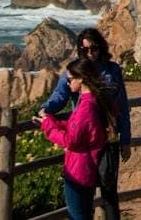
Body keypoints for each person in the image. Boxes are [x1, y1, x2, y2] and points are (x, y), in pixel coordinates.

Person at [42, 29, 132, 220]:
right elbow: (60, 95)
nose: (90, 53)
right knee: (86, 192)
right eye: (85, 50)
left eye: (94, 48)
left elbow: (123, 106)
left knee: (108, 192)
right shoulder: (76, 70)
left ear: (101, 47)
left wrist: (126, 139)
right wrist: (46, 109)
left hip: (108, 139)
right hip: (87, 141)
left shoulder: (112, 69)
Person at [38, 57, 117, 220]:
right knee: (84, 213)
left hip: (78, 171)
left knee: (78, 216)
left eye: (69, 79)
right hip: (88, 168)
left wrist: (48, 125)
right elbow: (81, 128)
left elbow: (70, 140)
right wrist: (53, 121)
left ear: (80, 79)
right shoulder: (95, 100)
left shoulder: (86, 107)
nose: (67, 83)